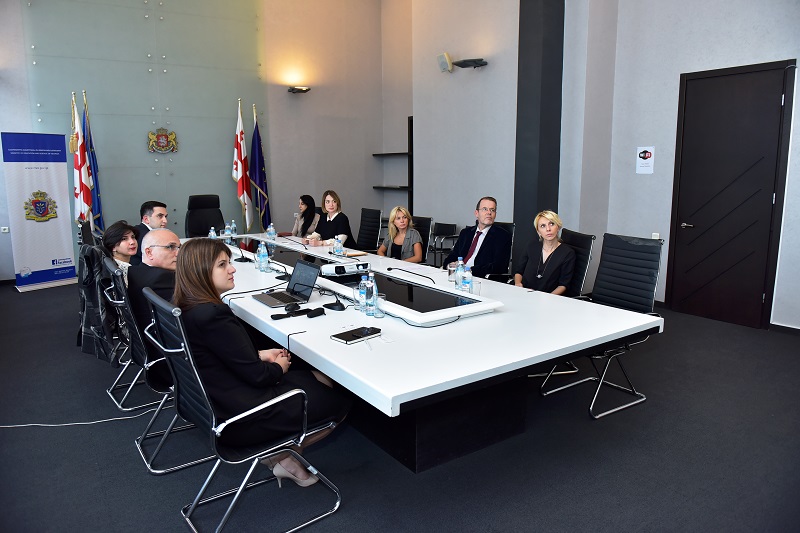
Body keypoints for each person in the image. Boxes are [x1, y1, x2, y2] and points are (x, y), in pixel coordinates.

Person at [173, 238, 350, 487]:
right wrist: (279, 366)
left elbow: (215, 355)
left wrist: (258, 354)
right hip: (240, 417)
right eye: (222, 265)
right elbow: (260, 377)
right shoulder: (213, 315)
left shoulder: (188, 308)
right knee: (339, 403)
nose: (232, 269)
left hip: (215, 403)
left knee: (318, 378)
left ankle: (284, 457)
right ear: (200, 272)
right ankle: (281, 456)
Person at [442, 196, 512, 278]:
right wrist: (449, 265)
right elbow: (453, 255)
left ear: (495, 214)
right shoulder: (465, 233)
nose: (489, 213)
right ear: (476, 213)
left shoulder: (502, 236)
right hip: (458, 274)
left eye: (492, 210)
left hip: (480, 278)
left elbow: (499, 266)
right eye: (485, 209)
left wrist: (469, 270)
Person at [128, 228, 180, 336]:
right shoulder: (163, 278)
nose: (178, 253)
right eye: (171, 247)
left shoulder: (134, 271)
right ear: (149, 252)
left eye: (179, 247)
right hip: (163, 340)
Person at [514, 210, 575, 294]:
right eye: (543, 226)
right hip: (524, 293)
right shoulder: (531, 246)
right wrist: (518, 284)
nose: (548, 229)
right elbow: (519, 272)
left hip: (549, 298)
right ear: (538, 231)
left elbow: (563, 285)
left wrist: (548, 298)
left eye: (552, 224)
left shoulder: (567, 253)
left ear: (558, 227)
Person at [101, 220, 139, 286]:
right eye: (124, 239)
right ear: (113, 247)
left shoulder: (112, 263)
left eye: (133, 237)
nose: (132, 242)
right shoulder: (123, 270)